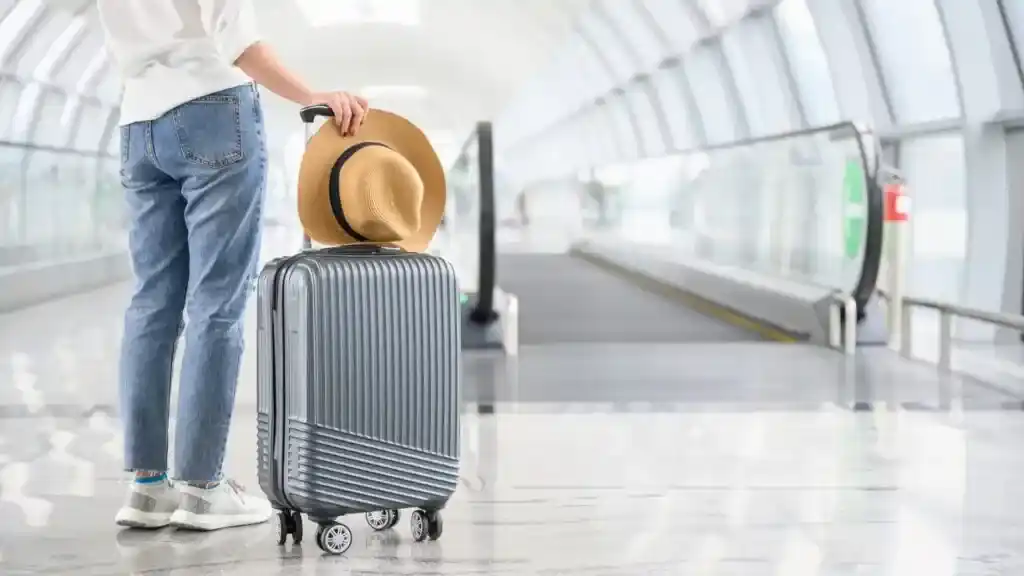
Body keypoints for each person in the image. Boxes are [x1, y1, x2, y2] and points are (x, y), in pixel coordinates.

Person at [96, 0, 368, 531]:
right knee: (216, 304)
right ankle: (202, 489)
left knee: (151, 303)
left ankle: (148, 488)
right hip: (212, 110)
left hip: (137, 124)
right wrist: (313, 95)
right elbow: (238, 40)